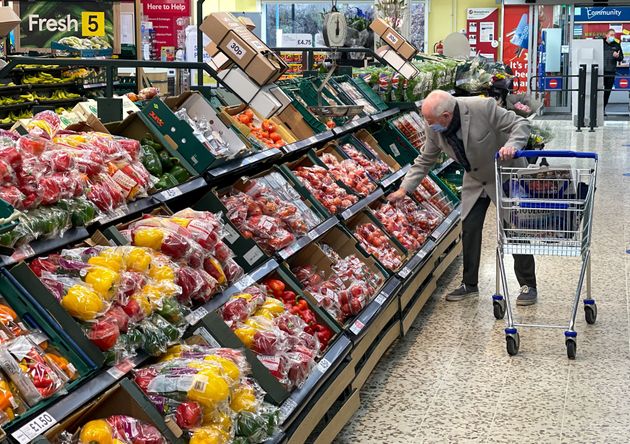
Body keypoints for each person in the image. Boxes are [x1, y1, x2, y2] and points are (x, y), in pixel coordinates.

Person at [388, 90, 538, 305]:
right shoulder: (435, 127)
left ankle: (528, 285)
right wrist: (404, 189)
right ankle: (469, 284)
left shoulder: (482, 108)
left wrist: (512, 145)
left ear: (447, 116)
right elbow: (425, 159)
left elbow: (521, 124)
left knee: (513, 228)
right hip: (475, 178)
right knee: (469, 227)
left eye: (431, 121)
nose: (428, 125)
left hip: (503, 173)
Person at [603, 29, 624, 111]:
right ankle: (596, 110)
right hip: (600, 72)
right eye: (611, 35)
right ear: (606, 35)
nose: (613, 36)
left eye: (614, 35)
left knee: (607, 92)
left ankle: (602, 109)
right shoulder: (600, 43)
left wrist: (617, 57)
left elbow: (621, 58)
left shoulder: (617, 45)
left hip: (611, 72)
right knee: (599, 91)